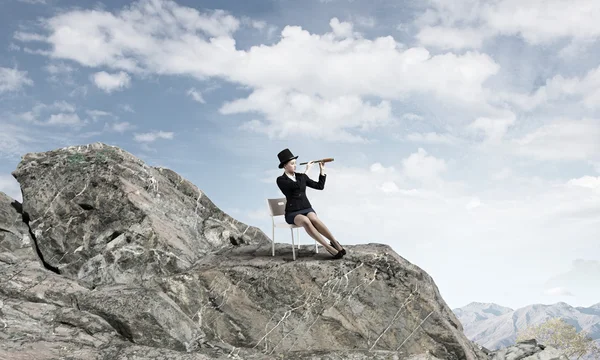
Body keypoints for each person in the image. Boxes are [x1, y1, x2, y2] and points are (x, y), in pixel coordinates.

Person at [276, 148, 346, 259]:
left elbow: (319, 186)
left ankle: (335, 242)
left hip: (306, 208)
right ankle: (327, 246)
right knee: (306, 221)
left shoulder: (300, 176)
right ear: (285, 166)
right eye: (292, 164)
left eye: (295, 163)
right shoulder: (280, 180)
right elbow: (296, 186)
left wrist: (322, 171)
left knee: (314, 219)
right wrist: (307, 171)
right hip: (293, 212)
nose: (295, 166)